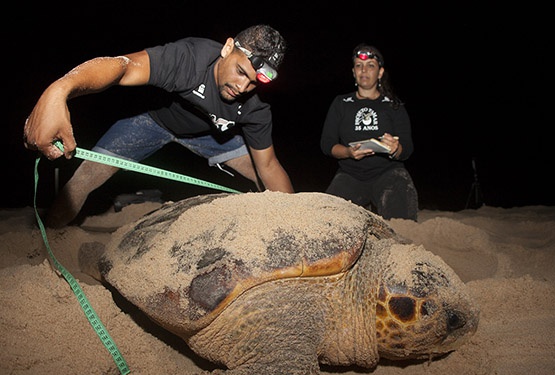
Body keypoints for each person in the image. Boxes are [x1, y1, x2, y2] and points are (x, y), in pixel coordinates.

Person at [23, 24, 294, 228]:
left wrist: (300, 215)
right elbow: (123, 66)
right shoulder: (189, 58)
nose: (242, 87)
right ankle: (48, 239)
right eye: (240, 72)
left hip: (209, 134)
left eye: (253, 83)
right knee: (82, 180)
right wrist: (59, 90)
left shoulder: (254, 106)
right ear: (227, 48)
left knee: (264, 177)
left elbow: (269, 166)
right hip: (153, 120)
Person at [320, 43, 418, 221]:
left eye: (370, 66)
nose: (364, 70)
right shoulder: (341, 103)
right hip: (350, 174)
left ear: (380, 73)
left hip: (388, 172)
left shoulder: (393, 105)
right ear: (353, 72)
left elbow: (408, 147)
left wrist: (397, 148)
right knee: (326, 219)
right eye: (359, 65)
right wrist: (348, 152)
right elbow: (327, 144)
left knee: (402, 224)